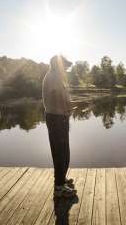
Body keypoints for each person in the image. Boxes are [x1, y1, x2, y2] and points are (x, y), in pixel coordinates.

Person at [42, 55, 77, 198]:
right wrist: (78, 105)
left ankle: (61, 180)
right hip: (56, 119)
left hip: (60, 118)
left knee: (64, 151)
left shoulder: (56, 77)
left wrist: (70, 106)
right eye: (65, 66)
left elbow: (63, 100)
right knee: (60, 153)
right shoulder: (54, 77)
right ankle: (59, 187)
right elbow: (60, 100)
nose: (67, 68)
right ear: (58, 65)